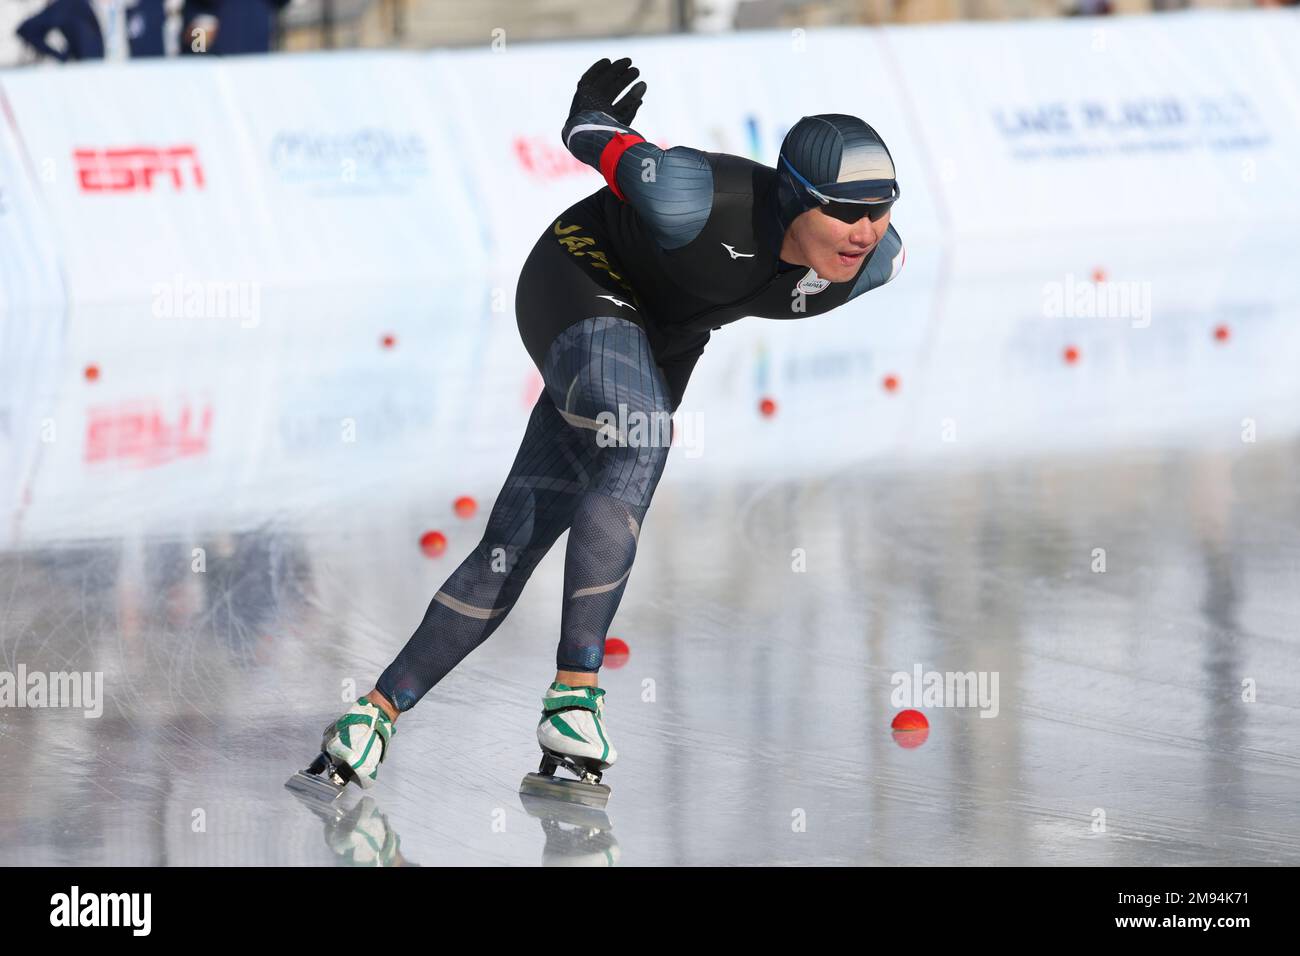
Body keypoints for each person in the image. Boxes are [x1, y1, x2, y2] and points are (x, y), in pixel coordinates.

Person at [316, 57, 905, 792]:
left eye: (880, 208)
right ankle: (574, 695)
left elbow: (838, 252)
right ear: (793, 199)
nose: (865, 230)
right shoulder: (693, 199)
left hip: (664, 334)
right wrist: (597, 113)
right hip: (580, 281)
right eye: (845, 210)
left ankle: (371, 718)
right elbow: (589, 134)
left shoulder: (878, 262)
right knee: (640, 434)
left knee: (514, 543)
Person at [16, 0, 165, 62]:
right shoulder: (72, 6)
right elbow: (28, 29)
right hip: (91, 87)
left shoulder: (144, 5)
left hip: (137, 85)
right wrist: (61, 57)